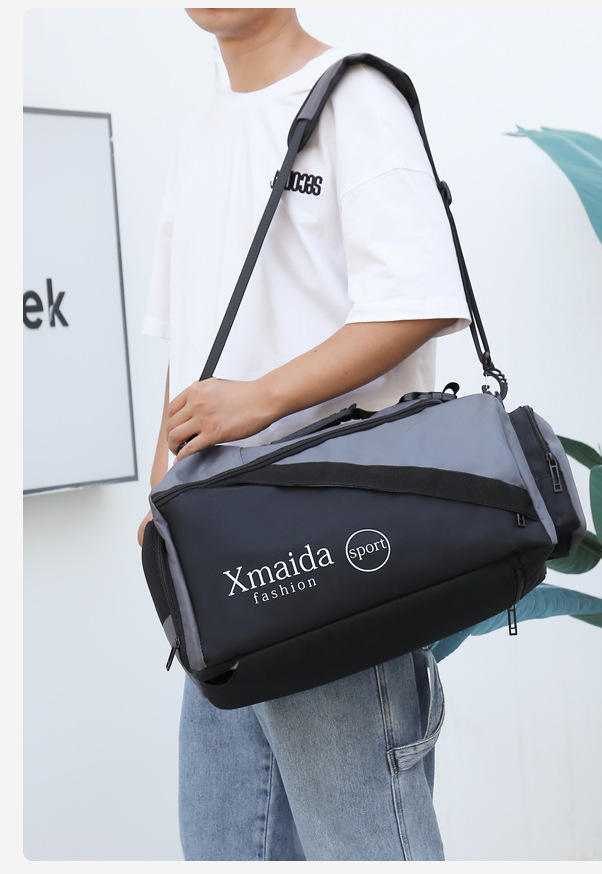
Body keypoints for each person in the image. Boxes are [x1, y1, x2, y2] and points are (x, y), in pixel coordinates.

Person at [138, 7, 472, 861]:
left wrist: (263, 400)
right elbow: (194, 342)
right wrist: (162, 492)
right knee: (225, 847)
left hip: (332, 556)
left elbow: (420, 299)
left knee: (366, 847)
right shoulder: (199, 135)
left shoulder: (355, 99)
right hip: (219, 562)